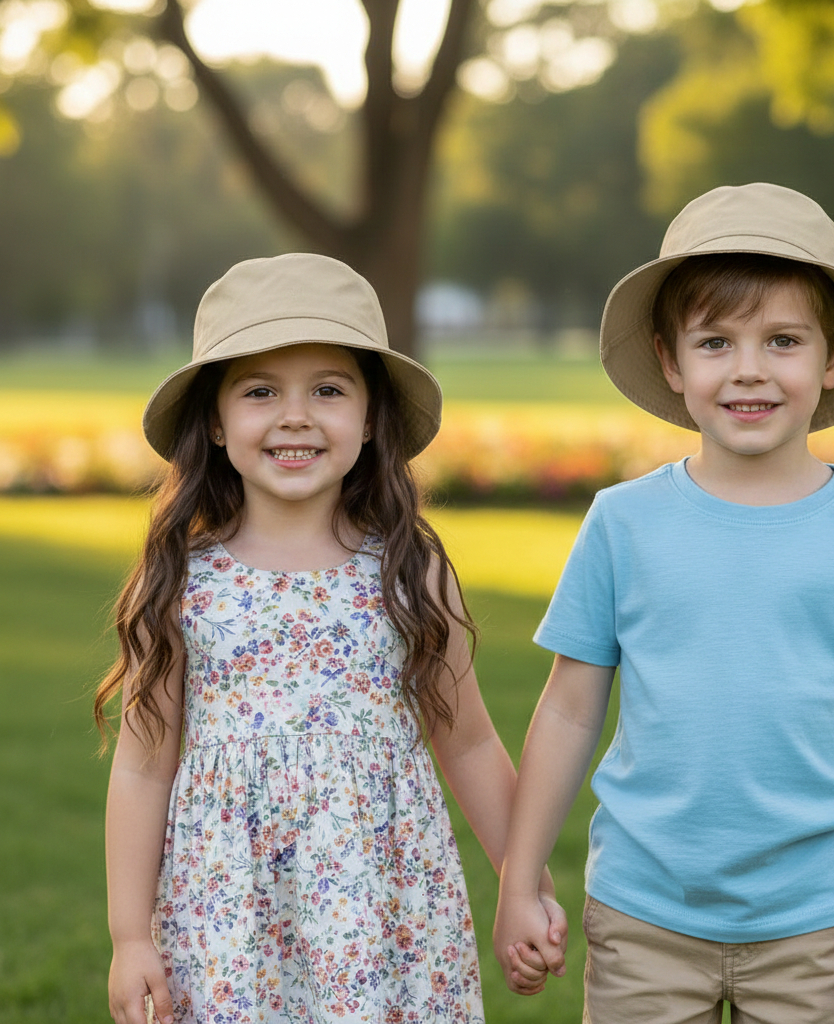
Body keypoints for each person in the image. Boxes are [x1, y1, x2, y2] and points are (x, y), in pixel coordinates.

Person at [493, 183, 834, 1024]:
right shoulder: (622, 522)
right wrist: (518, 879)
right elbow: (567, 710)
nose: (749, 368)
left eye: (783, 340)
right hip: (642, 912)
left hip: (818, 922)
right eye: (716, 341)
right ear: (672, 361)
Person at [95, 254, 565, 1024]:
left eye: (328, 389)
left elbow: (471, 743)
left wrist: (526, 889)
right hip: (229, 918)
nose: (296, 416)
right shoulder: (182, 582)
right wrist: (129, 937)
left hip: (385, 913)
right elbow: (144, 767)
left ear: (371, 416)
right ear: (214, 421)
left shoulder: (410, 574)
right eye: (260, 391)